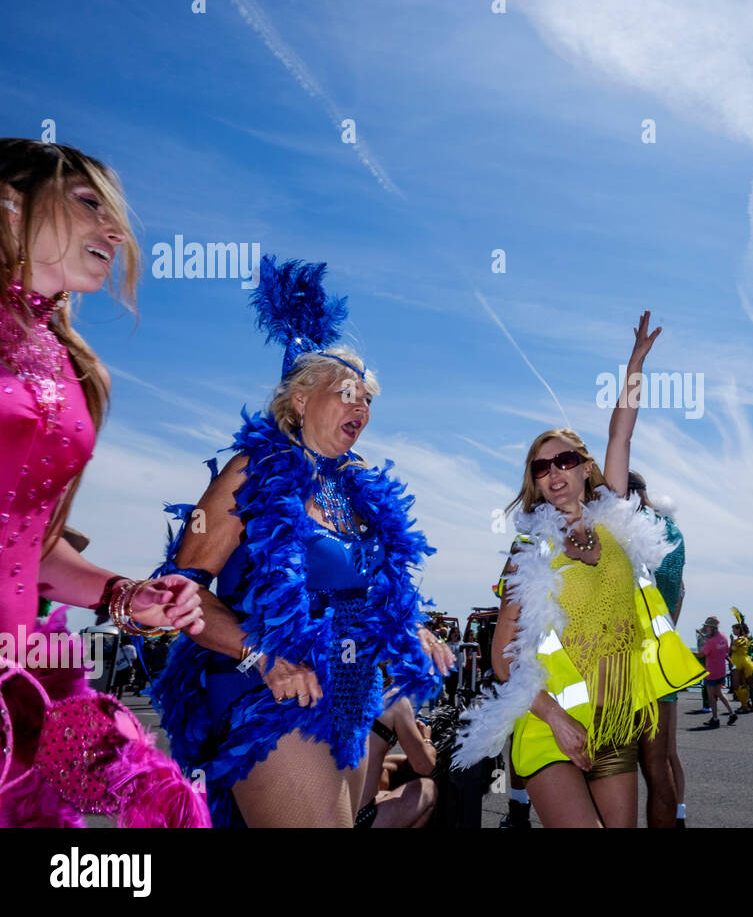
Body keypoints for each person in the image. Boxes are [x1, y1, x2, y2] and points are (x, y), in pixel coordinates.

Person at [149, 256, 453, 827]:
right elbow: (179, 590)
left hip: (350, 693)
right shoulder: (251, 472)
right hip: (269, 691)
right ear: (299, 400)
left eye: (367, 398)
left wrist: (410, 625)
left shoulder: (359, 492)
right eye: (347, 392)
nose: (360, 407)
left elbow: (369, 594)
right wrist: (262, 656)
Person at [0, 139, 209, 827]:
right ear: (8, 204)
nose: (115, 231)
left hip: (21, 679)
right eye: (88, 203)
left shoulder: (82, 372)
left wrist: (125, 594)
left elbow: (34, 551)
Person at [452, 312, 704, 827]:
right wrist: (556, 719)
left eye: (564, 459)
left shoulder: (613, 518)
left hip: (615, 723)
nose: (553, 472)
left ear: (586, 467)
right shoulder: (528, 552)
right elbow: (502, 657)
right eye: (540, 468)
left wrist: (634, 364)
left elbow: (621, 434)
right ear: (536, 484)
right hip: (550, 727)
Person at [628, 470, 689, 828]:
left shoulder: (630, 529)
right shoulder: (673, 532)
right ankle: (675, 818)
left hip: (632, 658)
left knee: (618, 762)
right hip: (663, 653)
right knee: (661, 760)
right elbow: (680, 591)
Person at [355, 695, 437, 828]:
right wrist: (427, 739)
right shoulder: (393, 699)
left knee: (389, 768)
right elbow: (424, 766)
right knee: (428, 787)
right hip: (359, 819)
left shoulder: (318, 691)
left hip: (319, 815)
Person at [697, 616, 737, 727]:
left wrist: (688, 653)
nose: (706, 629)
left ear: (712, 628)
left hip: (711, 671)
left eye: (707, 627)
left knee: (711, 696)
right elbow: (725, 651)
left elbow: (701, 654)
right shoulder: (723, 637)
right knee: (719, 693)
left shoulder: (711, 641)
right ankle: (732, 713)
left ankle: (715, 719)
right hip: (721, 670)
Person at [729, 623, 753, 712]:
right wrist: (752, 657)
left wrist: (731, 640)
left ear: (738, 630)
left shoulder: (739, 640)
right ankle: (747, 704)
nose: (733, 631)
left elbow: (732, 650)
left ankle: (744, 705)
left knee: (736, 685)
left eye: (734, 629)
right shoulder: (747, 639)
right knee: (744, 684)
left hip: (737, 662)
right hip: (745, 661)